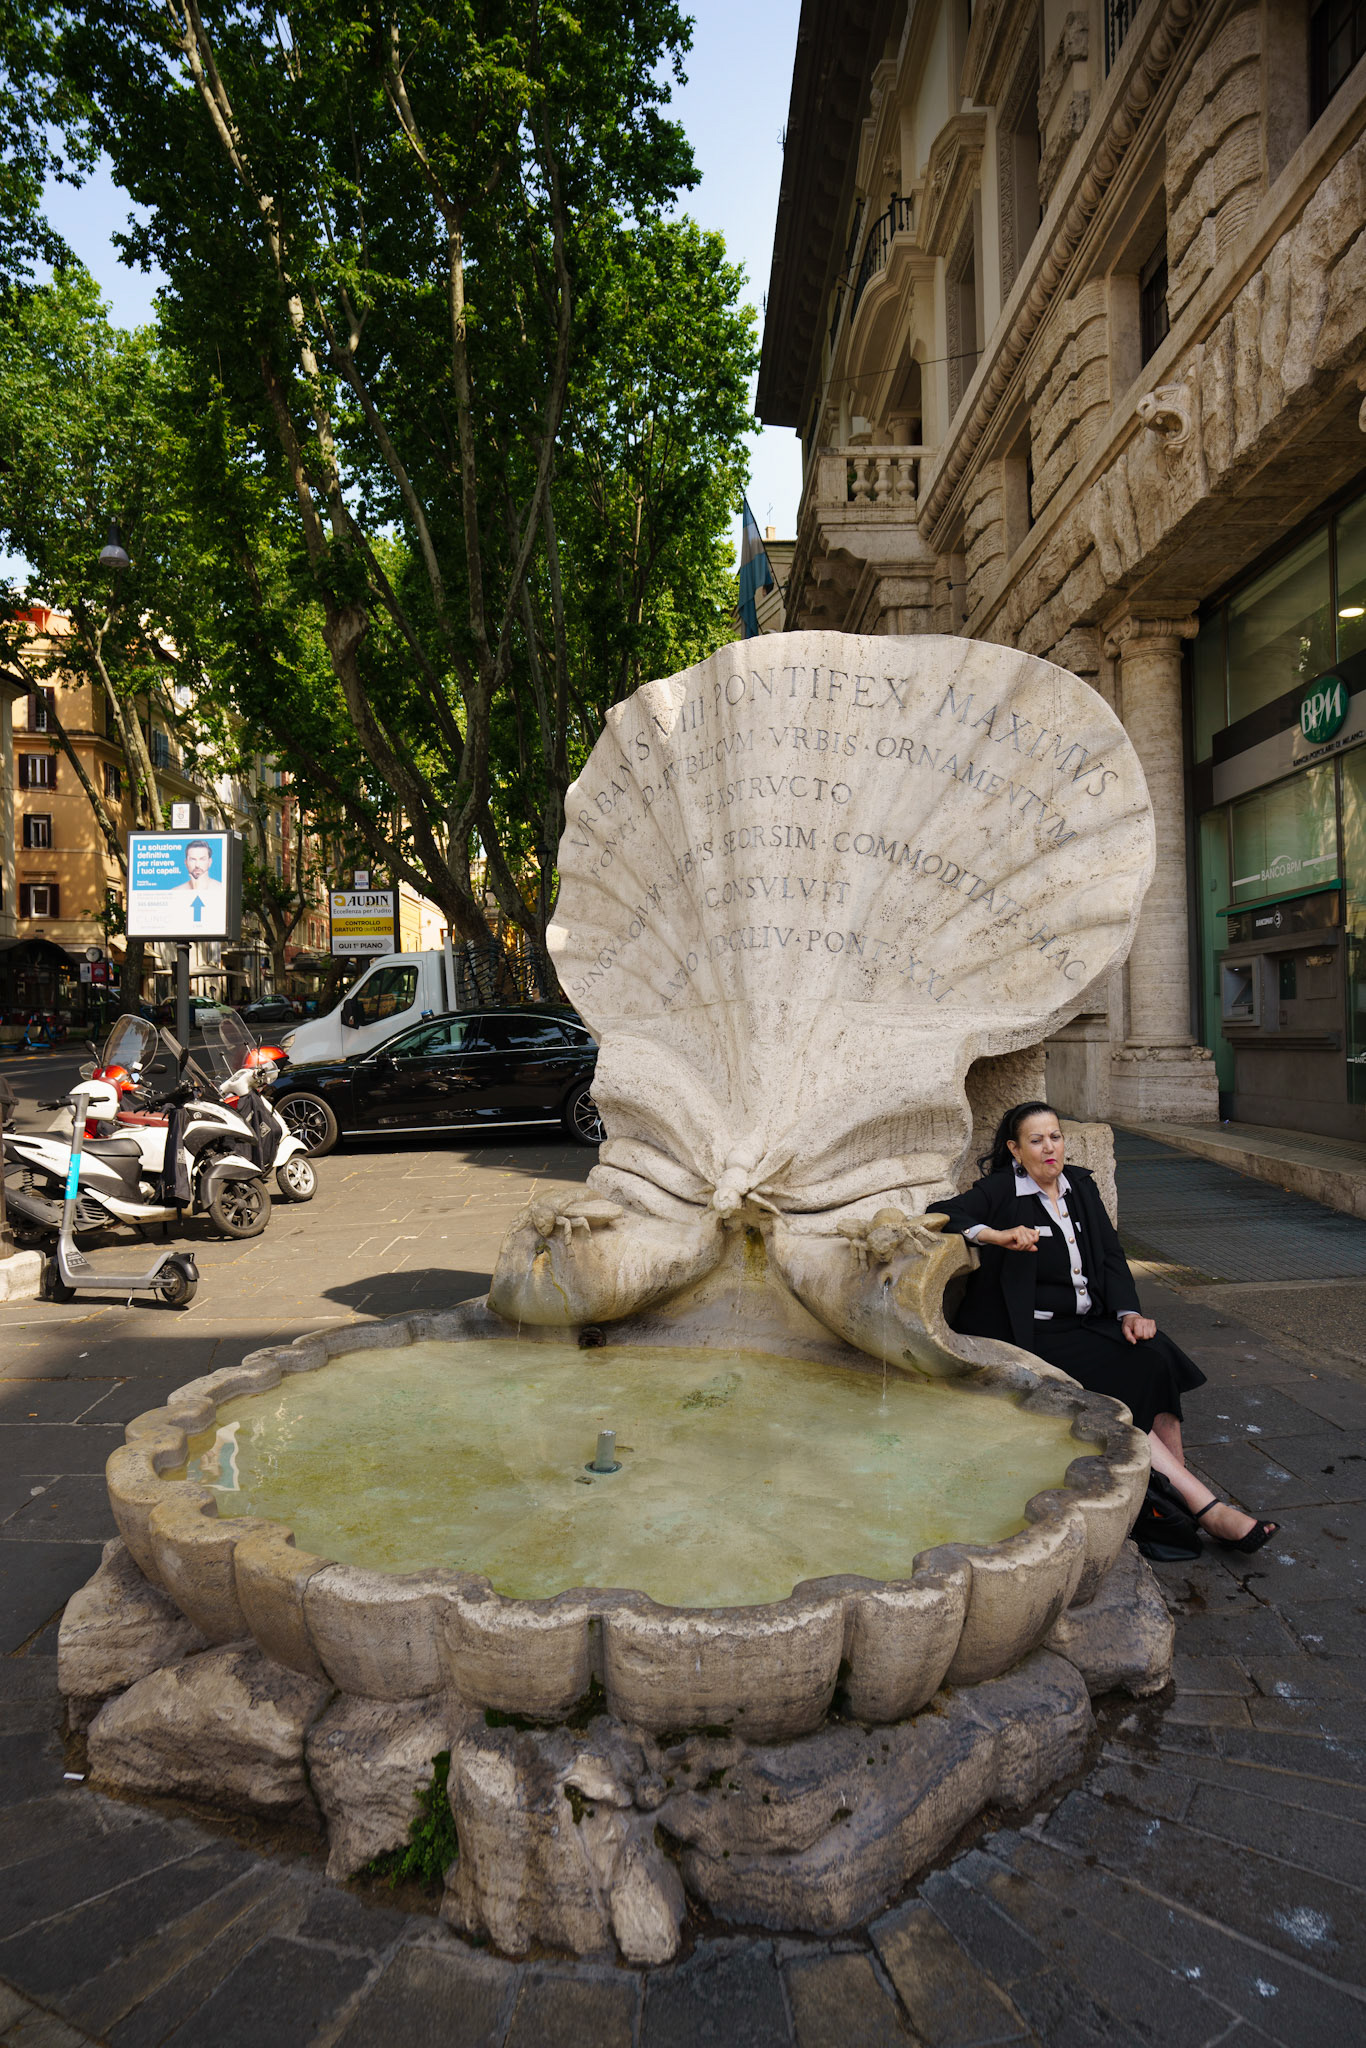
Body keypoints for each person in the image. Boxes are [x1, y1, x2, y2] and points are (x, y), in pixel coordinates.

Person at [928, 1100, 1277, 1555]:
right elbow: (941, 1212)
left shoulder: (1080, 1186)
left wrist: (1128, 1313)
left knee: (1158, 1357)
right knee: (1121, 1382)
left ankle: (1178, 1491)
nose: (1050, 1148)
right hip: (1035, 1335)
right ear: (1016, 1150)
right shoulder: (1000, 1192)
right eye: (1036, 1140)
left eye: (1055, 1137)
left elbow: (1111, 1257)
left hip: (1089, 1321)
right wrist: (997, 1236)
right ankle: (1207, 1509)